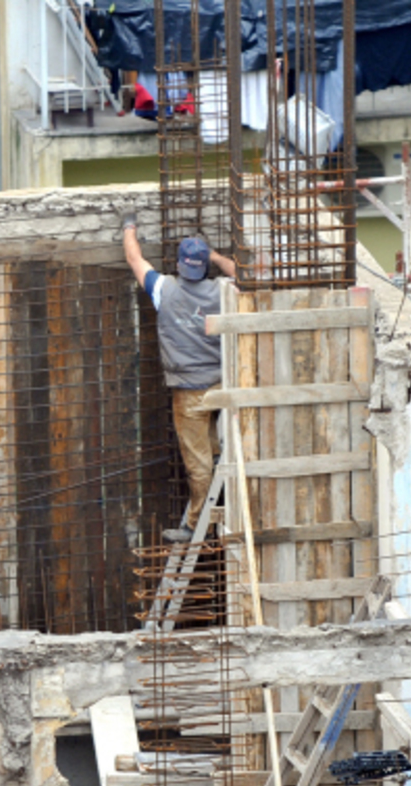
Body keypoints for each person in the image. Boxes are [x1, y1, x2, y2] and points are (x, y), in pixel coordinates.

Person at [122, 213, 246, 542]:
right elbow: (245, 275)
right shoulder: (223, 290)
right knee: (211, 446)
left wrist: (129, 226)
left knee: (198, 464)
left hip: (188, 393)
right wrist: (217, 255)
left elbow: (134, 257)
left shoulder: (164, 289)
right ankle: (219, 452)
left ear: (179, 264)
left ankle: (194, 526)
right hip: (222, 384)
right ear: (204, 266)